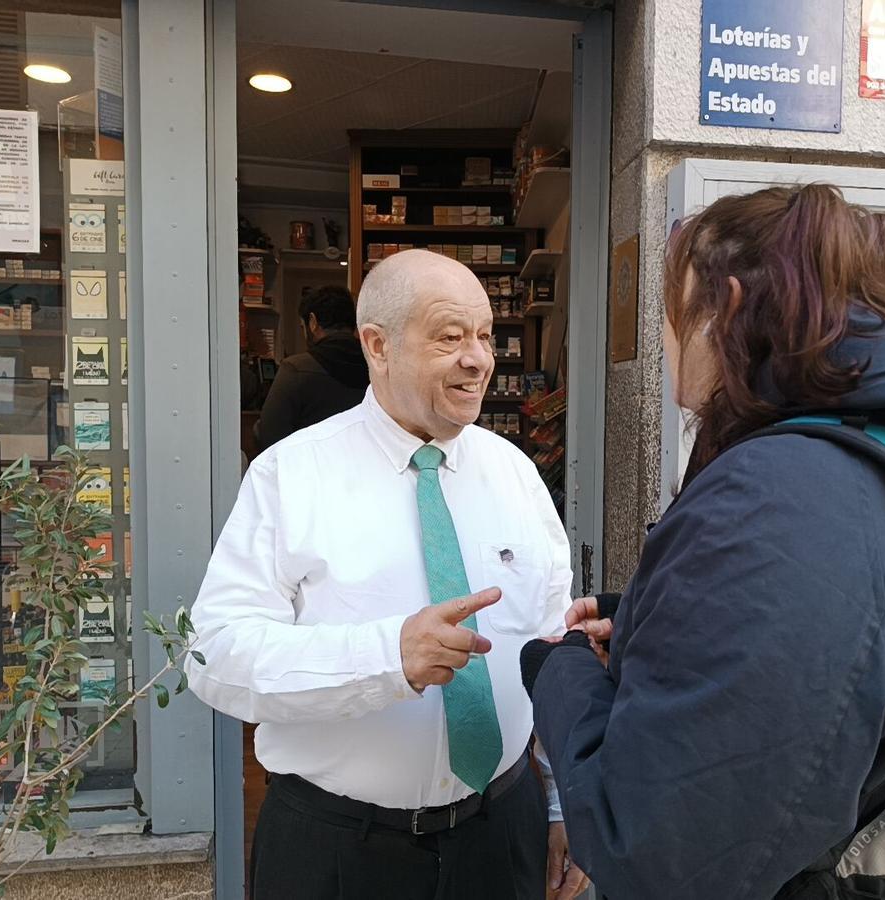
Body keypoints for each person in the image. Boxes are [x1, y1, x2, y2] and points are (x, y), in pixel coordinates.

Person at [519, 187, 885, 898]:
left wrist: (561, 671)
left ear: (727, 306)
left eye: (672, 310)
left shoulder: (777, 497)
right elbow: (850, 648)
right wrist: (663, 622)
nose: (666, 338)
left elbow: (655, 853)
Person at [187, 249, 590, 900]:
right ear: (377, 345)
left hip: (501, 834)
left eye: (485, 336)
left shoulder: (515, 472)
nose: (479, 359)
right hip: (338, 852)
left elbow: (548, 643)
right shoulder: (290, 476)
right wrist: (387, 657)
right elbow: (214, 656)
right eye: (450, 337)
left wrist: (560, 800)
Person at [254, 284, 369, 451]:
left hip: (306, 465)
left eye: (303, 327)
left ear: (313, 322)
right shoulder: (377, 369)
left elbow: (269, 437)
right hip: (365, 463)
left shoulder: (295, 370)